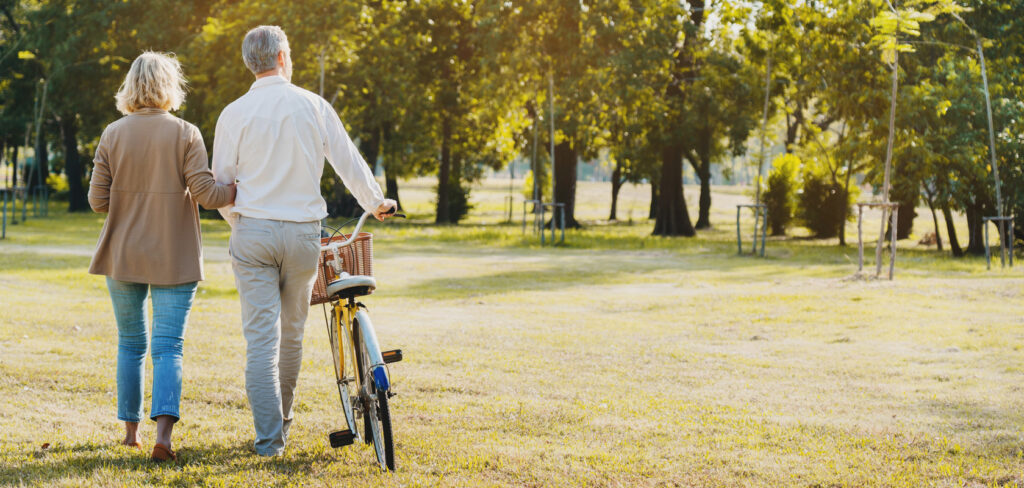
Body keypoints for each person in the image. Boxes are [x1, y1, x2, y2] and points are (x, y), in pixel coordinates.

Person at [212, 25, 396, 457]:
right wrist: (377, 201)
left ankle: (269, 441)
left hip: (252, 231)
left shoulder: (233, 113)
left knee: (260, 340)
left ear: (249, 62)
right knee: (291, 335)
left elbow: (221, 185)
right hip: (301, 236)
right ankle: (284, 422)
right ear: (281, 57)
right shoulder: (313, 105)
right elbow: (348, 162)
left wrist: (239, 222)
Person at [88, 51, 236, 462]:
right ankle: (164, 440)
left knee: (130, 345)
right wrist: (235, 190)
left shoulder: (112, 134)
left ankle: (130, 433)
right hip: (175, 255)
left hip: (122, 255)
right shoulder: (187, 133)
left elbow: (97, 201)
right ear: (171, 87)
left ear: (130, 87)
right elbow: (208, 195)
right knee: (169, 347)